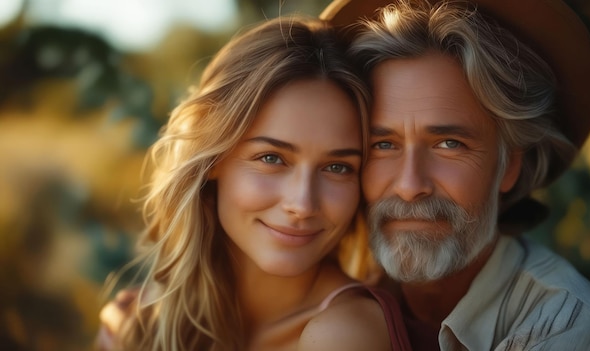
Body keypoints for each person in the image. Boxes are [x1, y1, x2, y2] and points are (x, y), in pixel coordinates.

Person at [320, 0, 590, 350]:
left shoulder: (570, 328)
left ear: (509, 166)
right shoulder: (330, 299)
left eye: (449, 143)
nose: (409, 186)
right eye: (383, 145)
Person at [95, 15, 411, 351]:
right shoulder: (143, 324)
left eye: (337, 167)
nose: (302, 204)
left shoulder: (344, 334)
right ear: (213, 159)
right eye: (272, 158)